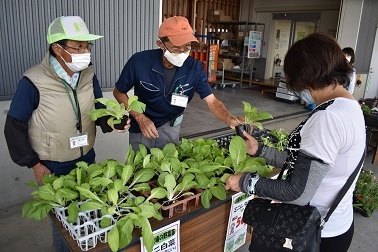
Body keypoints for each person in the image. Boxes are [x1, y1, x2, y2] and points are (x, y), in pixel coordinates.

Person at [225, 33, 365, 252]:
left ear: (306, 77)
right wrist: (261, 150)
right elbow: (308, 164)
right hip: (335, 226)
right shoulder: (348, 105)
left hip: (313, 234)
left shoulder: (328, 118)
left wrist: (246, 182)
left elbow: (298, 193)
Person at [3, 16, 128, 252]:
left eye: (87, 46)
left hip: (86, 159)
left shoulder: (88, 75)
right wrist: (35, 164)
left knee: (88, 214)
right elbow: (14, 126)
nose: (85, 51)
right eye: (78, 46)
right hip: (53, 165)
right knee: (63, 222)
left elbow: (98, 109)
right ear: (56, 48)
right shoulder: (33, 80)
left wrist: (113, 122)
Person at [113, 16, 241, 150]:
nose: (182, 52)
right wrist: (139, 117)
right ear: (160, 44)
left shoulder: (194, 68)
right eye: (175, 48)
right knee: (139, 165)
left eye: (187, 47)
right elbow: (119, 92)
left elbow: (212, 101)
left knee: (168, 165)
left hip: (171, 125)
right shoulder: (139, 61)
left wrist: (228, 118)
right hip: (141, 124)